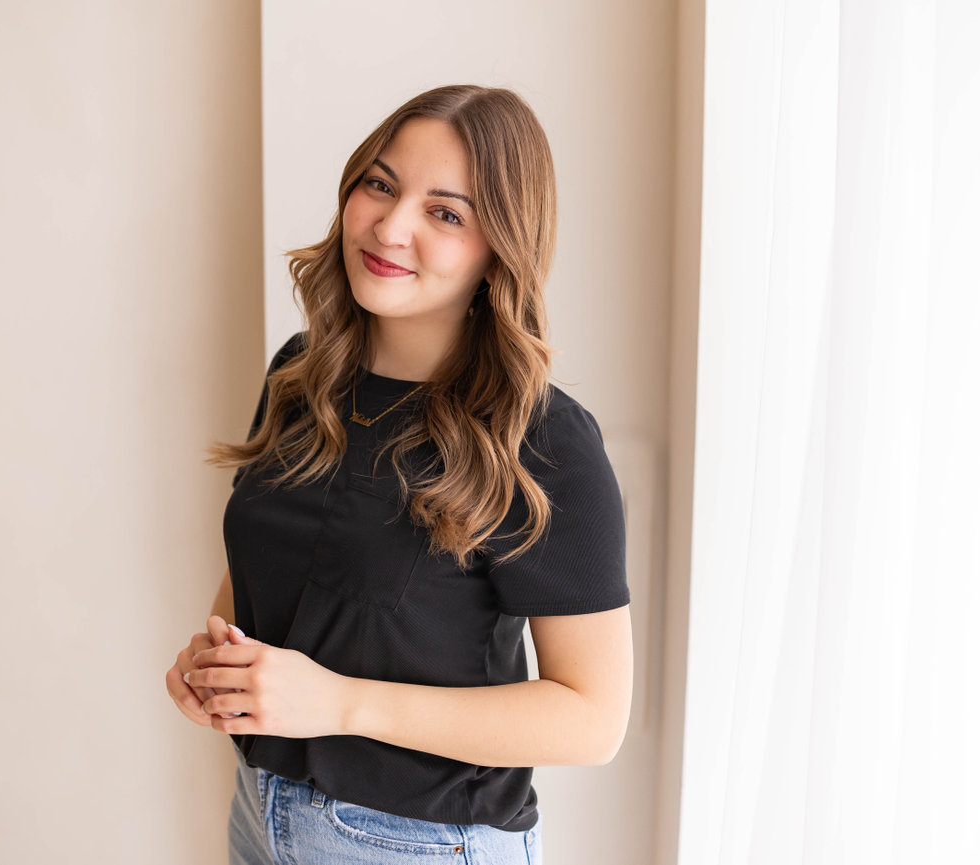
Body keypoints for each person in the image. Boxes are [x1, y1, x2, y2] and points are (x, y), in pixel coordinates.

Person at [164, 84, 632, 865]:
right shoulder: (300, 375)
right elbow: (264, 567)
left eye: (445, 213)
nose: (390, 225)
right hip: (260, 815)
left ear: (498, 250)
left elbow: (592, 719)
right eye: (380, 184)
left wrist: (339, 702)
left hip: (422, 844)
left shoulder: (543, 438)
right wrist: (217, 664)